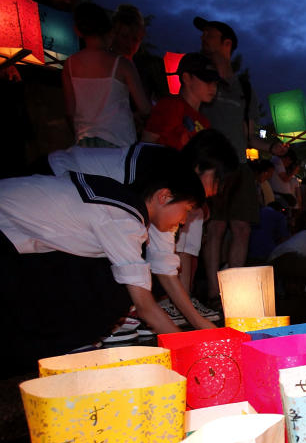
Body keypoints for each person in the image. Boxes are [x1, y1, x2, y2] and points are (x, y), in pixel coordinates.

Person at [0, 162, 205, 376]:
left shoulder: (123, 203)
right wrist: (192, 354)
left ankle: (66, 343)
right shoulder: (123, 218)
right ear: (164, 196)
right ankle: (62, 346)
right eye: (186, 211)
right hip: (5, 226)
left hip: (16, 236)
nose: (183, 222)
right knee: (122, 287)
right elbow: (144, 306)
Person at [45, 130, 238, 328]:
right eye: (218, 180)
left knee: (137, 270)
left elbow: (164, 264)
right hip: (55, 184)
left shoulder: (172, 189)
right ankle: (94, 328)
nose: (216, 191)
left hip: (77, 208)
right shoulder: (159, 172)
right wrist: (182, 336)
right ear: (199, 168)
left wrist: (200, 324)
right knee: (122, 268)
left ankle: (105, 325)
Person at [194, 16, 288, 307]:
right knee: (216, 228)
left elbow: (249, 137)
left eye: (209, 34)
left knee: (243, 228)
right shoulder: (200, 77)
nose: (203, 38)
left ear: (227, 43)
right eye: (203, 34)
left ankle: (231, 292)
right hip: (209, 163)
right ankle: (212, 292)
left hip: (239, 164)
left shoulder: (245, 89)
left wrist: (273, 146)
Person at [142, 53, 223, 311]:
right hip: (168, 191)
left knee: (190, 244)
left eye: (215, 82)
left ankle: (184, 299)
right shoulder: (170, 107)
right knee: (170, 243)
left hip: (190, 193)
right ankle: (169, 299)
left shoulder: (204, 122)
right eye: (206, 80)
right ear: (186, 78)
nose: (213, 87)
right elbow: (148, 142)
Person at [63, 2, 149, 148]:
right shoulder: (123, 65)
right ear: (111, 33)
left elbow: (70, 112)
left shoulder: (70, 64)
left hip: (85, 142)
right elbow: (146, 109)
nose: (129, 43)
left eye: (135, 39)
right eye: (124, 36)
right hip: (120, 142)